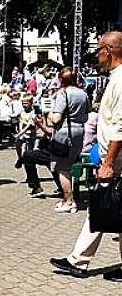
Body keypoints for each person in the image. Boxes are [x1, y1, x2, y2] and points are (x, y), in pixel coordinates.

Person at [50, 32, 122, 280]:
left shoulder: (120, 81)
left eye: (99, 51)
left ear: (108, 51)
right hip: (112, 156)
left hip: (115, 158)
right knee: (109, 205)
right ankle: (78, 260)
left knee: (104, 203)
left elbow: (120, 127)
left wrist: (108, 163)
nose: (97, 56)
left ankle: (78, 260)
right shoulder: (116, 78)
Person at [35, 68, 89, 213]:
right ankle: (66, 199)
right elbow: (86, 116)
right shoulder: (83, 94)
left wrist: (48, 112)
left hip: (64, 134)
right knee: (69, 164)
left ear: (61, 79)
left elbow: (56, 118)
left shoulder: (63, 94)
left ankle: (69, 201)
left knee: (62, 168)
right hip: (79, 132)